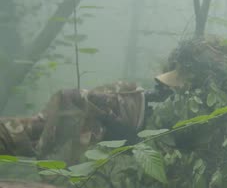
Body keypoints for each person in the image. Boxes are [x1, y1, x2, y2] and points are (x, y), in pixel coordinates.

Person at [0, 70, 183, 163]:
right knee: (33, 136)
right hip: (76, 110)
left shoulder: (137, 98)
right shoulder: (131, 96)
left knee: (31, 135)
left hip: (80, 112)